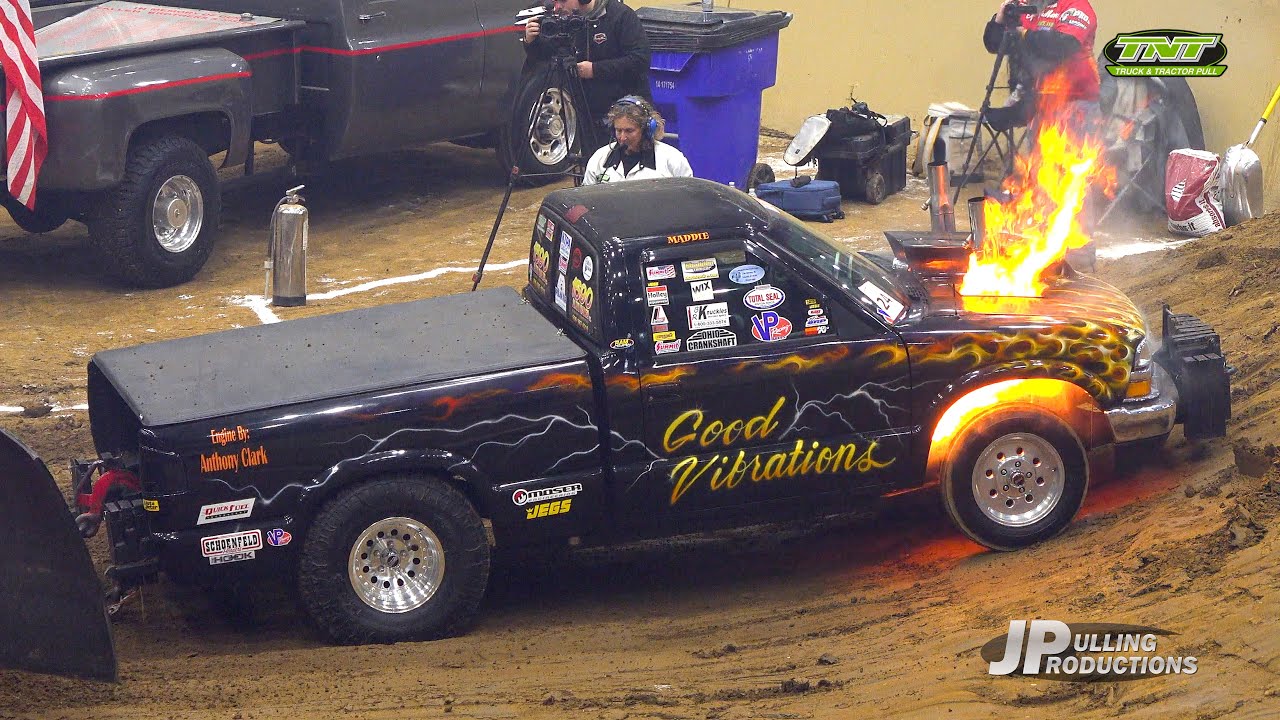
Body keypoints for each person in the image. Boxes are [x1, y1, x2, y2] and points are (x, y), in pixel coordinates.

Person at [522, 0, 652, 151]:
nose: (558, 7)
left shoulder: (620, 15)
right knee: (595, 167)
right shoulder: (563, 20)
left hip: (625, 111)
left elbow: (640, 60)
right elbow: (545, 61)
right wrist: (531, 42)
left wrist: (595, 70)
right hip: (586, 115)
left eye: (563, 1)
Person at [982, 0, 1100, 130]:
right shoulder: (1026, 7)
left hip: (1075, 100)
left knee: (1074, 150)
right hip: (1038, 102)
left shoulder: (1077, 5)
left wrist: (1024, 34)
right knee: (1038, 150)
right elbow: (995, 45)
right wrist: (999, 21)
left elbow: (1064, 45)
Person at [582, 97, 693, 185]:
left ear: (646, 129)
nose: (622, 137)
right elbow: (584, 202)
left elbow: (689, 201)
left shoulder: (672, 160)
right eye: (618, 130)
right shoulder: (600, 159)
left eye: (629, 131)